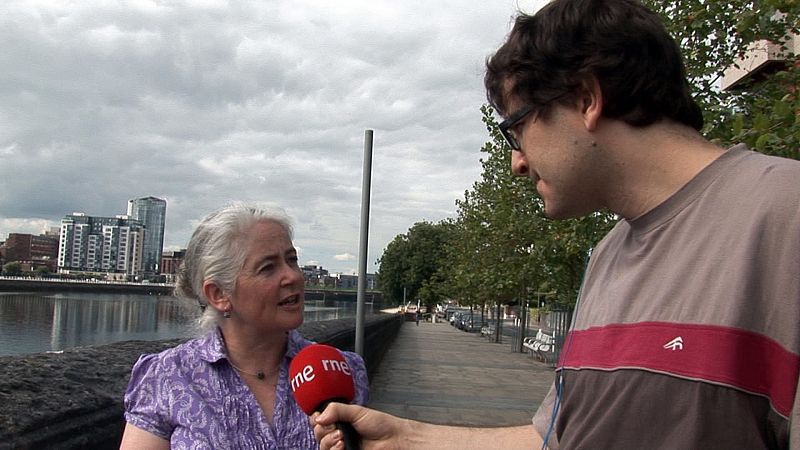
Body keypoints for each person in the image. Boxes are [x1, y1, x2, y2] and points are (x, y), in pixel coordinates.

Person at [312, 0, 800, 448]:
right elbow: (559, 439)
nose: (517, 163)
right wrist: (406, 437)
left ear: (587, 98)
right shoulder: (608, 253)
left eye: (516, 129)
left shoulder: (786, 214)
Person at [119, 202, 369, 449]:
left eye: (291, 260)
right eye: (268, 268)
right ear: (219, 294)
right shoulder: (168, 377)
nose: (293, 276)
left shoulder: (341, 370)